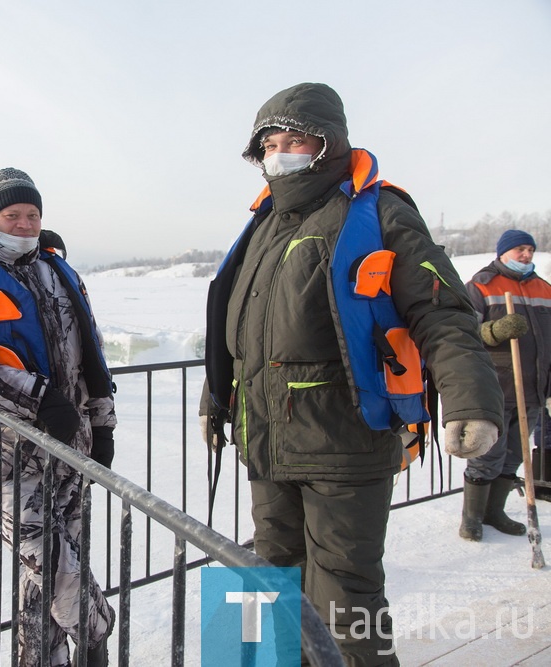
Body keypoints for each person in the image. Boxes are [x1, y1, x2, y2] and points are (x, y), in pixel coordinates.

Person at [200, 82, 502, 665]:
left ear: (328, 143)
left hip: (346, 442)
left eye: (296, 139)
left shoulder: (381, 210)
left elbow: (440, 312)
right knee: (273, 580)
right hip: (267, 440)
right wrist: (218, 399)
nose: (282, 151)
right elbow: (241, 333)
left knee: (345, 597)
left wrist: (470, 401)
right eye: (272, 142)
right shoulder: (263, 223)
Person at [0, 168, 116, 666]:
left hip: (71, 446)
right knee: (49, 563)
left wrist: (103, 424)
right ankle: (97, 634)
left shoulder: (59, 270)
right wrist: (39, 399)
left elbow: (91, 357)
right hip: (4, 449)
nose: (25, 224)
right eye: (13, 215)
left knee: (50, 572)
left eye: (33, 215)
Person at [462, 230, 551, 533]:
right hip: (496, 386)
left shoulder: (544, 288)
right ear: (502, 253)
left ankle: (493, 513)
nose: (526, 255)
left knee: (514, 455)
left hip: (534, 388)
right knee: (488, 455)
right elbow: (460, 329)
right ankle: (471, 520)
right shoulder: (481, 285)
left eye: (530, 249)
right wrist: (494, 331)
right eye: (519, 250)